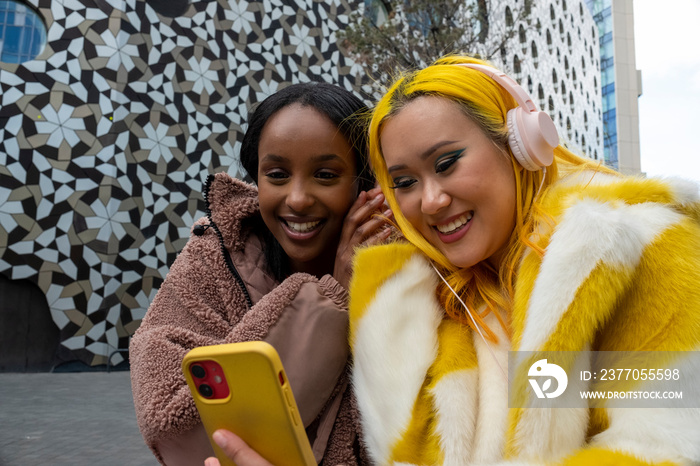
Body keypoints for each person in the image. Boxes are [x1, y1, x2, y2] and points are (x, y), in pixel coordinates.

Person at [342, 55, 700, 465]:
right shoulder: (437, 301)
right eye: (404, 182)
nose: (431, 201)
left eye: (447, 163)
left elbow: (668, 448)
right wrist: (387, 301)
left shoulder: (645, 244)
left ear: (520, 145)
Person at [130, 82, 391, 465]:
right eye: (277, 174)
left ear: (364, 183)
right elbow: (176, 433)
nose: (298, 199)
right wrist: (331, 300)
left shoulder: (413, 267)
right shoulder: (211, 259)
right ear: (257, 178)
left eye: (325, 174)